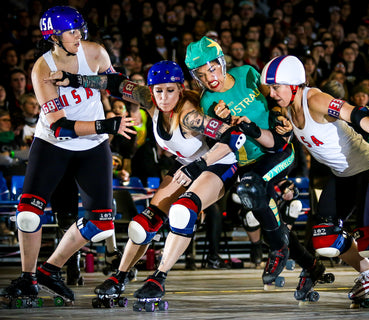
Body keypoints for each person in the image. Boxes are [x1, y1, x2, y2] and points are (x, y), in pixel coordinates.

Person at [50, 60, 245, 304]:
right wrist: (74, 79)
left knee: (183, 212)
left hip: (219, 163)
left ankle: (158, 277)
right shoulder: (149, 98)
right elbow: (114, 83)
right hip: (188, 163)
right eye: (158, 90)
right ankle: (120, 276)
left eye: (170, 90)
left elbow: (235, 137)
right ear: (151, 90)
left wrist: (199, 164)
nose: (163, 97)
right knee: (144, 223)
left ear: (181, 89)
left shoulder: (190, 116)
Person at [258, 54, 369, 303]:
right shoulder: (287, 110)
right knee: (325, 237)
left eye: (275, 87)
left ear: (293, 84)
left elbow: (351, 112)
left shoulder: (315, 99)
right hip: (343, 176)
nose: (271, 93)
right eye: (269, 88)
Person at [0, 6, 135, 305]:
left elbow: (112, 85)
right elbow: (60, 127)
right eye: (72, 32)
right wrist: (106, 124)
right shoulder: (42, 69)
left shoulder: (96, 53)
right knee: (27, 213)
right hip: (53, 144)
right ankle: (27, 277)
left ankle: (49, 270)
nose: (79, 36)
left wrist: (132, 91)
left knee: (102, 224)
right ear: (54, 37)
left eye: (80, 29)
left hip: (93, 146)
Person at [185, 36, 296, 287]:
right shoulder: (207, 102)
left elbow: (274, 101)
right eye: (201, 75)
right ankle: (305, 261)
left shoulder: (247, 73)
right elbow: (222, 145)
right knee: (254, 197)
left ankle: (277, 251)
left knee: (253, 190)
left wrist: (280, 118)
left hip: (276, 149)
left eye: (212, 69)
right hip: (248, 163)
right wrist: (221, 123)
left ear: (222, 62)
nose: (209, 78)